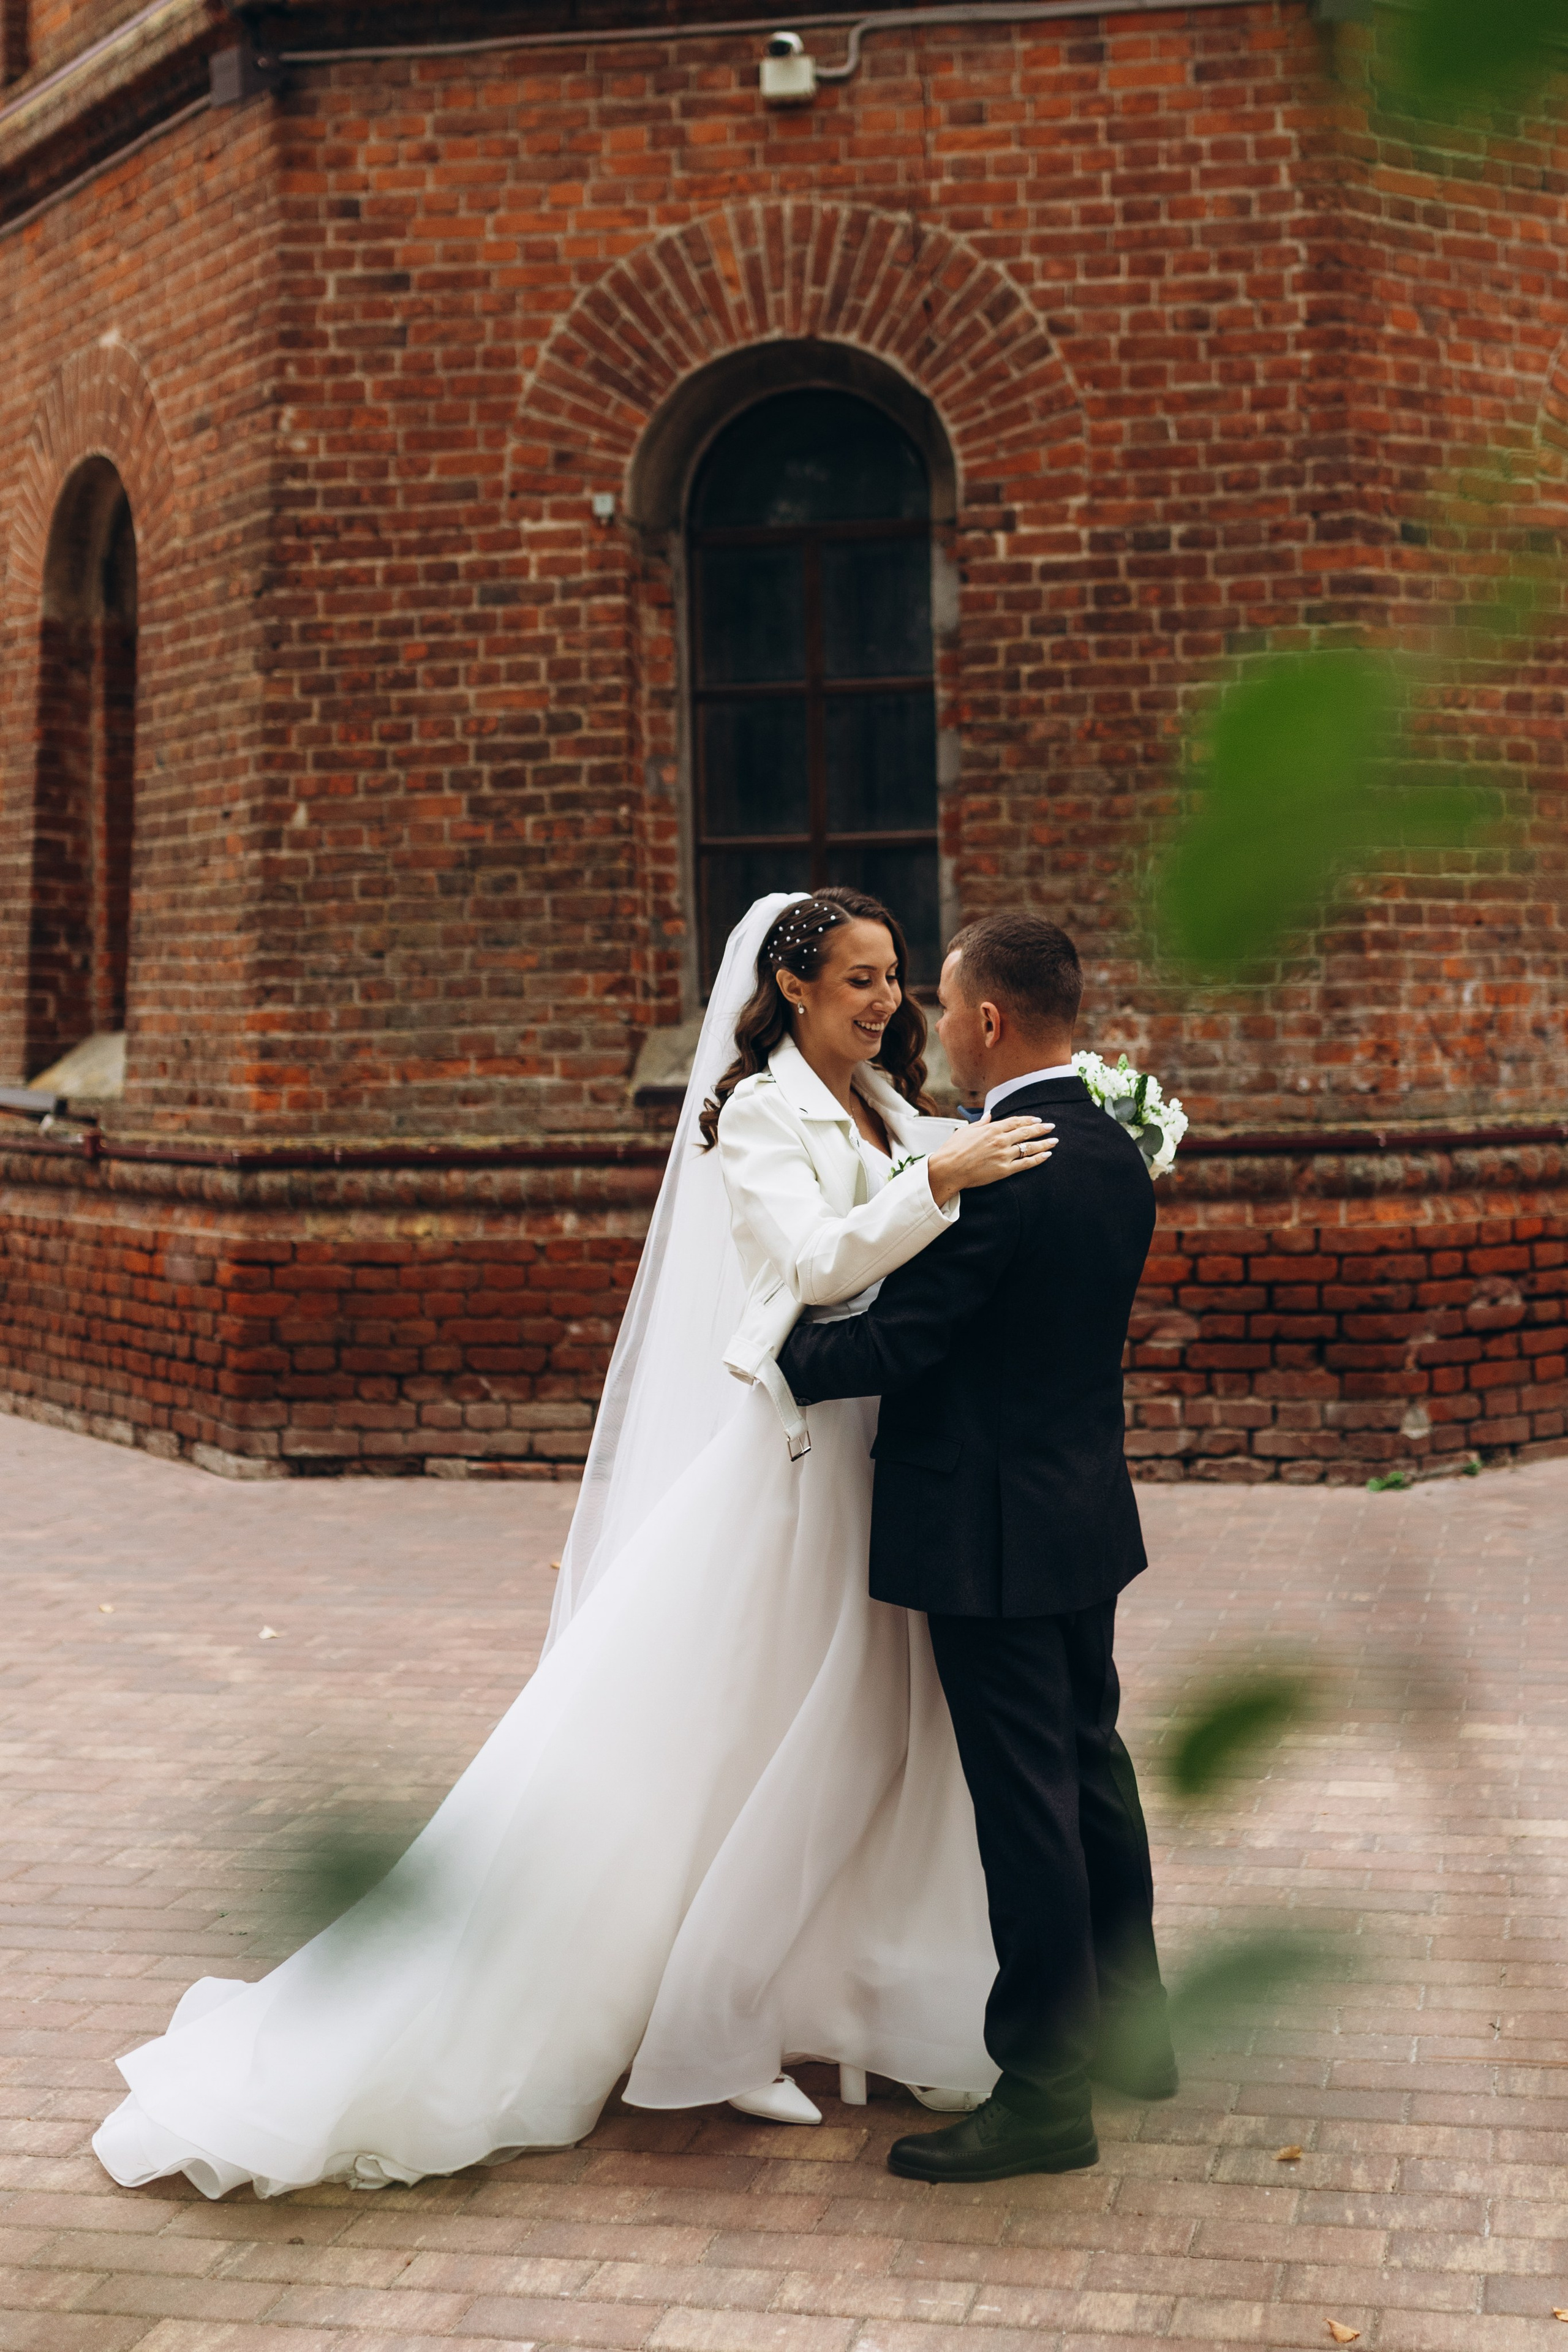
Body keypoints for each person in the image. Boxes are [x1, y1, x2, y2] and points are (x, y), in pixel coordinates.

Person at [91, 888, 1054, 2199]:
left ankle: (844, 1997)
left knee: (867, 1743)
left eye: (893, 977)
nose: (884, 1001)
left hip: (884, 1462)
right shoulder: (761, 1112)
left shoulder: (884, 1107)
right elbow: (813, 1265)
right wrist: (936, 1183)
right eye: (857, 980)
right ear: (789, 988)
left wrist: (1038, 1123)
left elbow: (967, 1157)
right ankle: (714, 2027)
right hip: (800, 1466)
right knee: (763, 1742)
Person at [778, 911, 1175, 2186]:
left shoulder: (1002, 1173)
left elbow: (904, 1340)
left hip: (987, 1530)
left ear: (990, 1023)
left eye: (941, 1006)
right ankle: (1135, 2031)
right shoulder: (1112, 1148)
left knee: (1027, 1811)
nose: (929, 1025)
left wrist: (777, 1348)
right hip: (1078, 1511)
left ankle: (1047, 2095)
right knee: (1087, 1769)